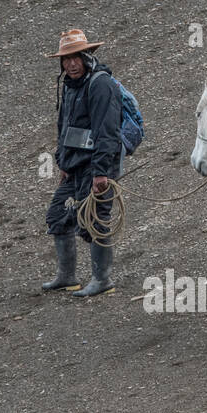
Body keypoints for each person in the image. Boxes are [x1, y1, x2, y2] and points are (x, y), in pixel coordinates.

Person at [41, 29, 122, 297]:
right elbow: (64, 125)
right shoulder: (69, 86)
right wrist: (62, 161)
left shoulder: (100, 85)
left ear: (87, 56)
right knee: (58, 216)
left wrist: (101, 173)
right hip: (74, 167)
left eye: (76, 57)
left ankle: (103, 280)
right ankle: (67, 277)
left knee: (95, 221)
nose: (71, 64)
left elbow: (106, 132)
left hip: (96, 169)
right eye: (66, 59)